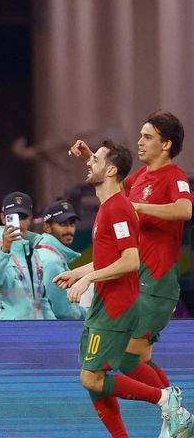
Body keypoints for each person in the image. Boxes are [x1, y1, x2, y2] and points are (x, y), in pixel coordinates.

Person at [54, 140, 193, 437]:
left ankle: (164, 398)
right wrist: (76, 272)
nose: (90, 164)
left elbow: (130, 261)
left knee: (91, 378)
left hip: (115, 307)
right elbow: (108, 259)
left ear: (112, 169)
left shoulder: (117, 209)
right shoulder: (111, 206)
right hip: (105, 305)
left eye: (97, 160)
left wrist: (88, 280)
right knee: (95, 378)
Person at [0, 191, 55, 320]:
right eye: (13, 218)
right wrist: (5, 249)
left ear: (30, 219)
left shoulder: (33, 252)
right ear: (3, 218)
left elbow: (41, 298)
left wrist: (53, 329)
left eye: (23, 217)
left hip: (37, 331)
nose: (19, 224)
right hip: (8, 332)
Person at [36, 199, 87, 320]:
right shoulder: (52, 261)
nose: (69, 230)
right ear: (47, 227)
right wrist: (91, 315)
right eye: (63, 224)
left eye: (72, 224)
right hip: (49, 332)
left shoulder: (42, 252)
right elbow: (63, 311)